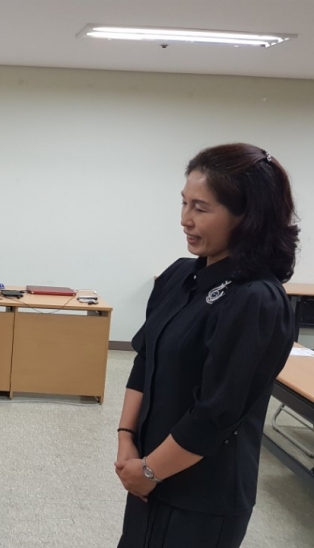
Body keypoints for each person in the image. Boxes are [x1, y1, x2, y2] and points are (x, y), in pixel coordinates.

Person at [114, 143, 299, 548]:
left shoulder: (256, 300)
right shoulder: (180, 275)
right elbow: (146, 359)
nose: (185, 219)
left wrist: (150, 471)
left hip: (201, 495)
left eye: (200, 208)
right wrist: (127, 438)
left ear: (247, 217)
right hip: (146, 472)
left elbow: (216, 412)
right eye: (184, 203)